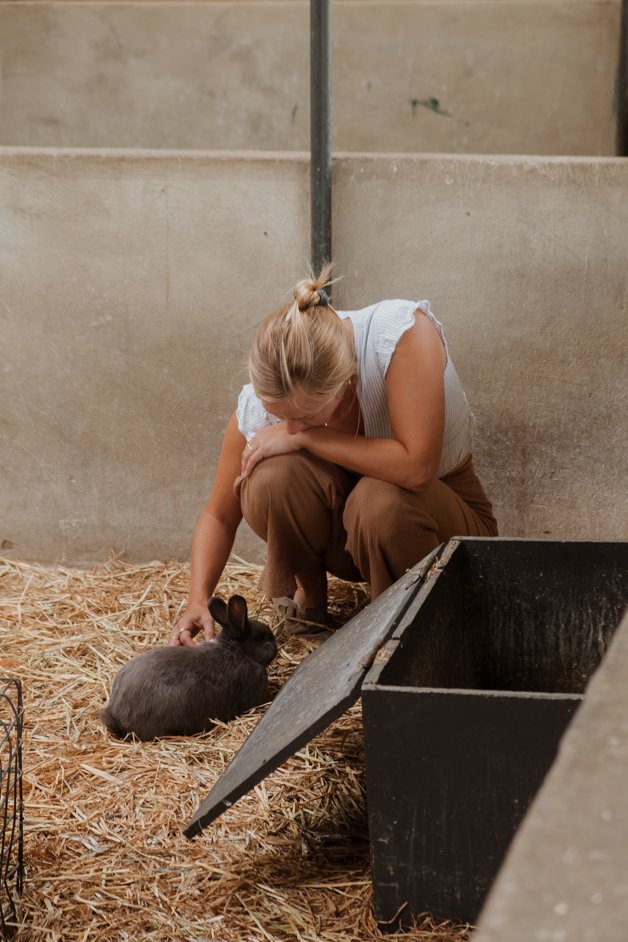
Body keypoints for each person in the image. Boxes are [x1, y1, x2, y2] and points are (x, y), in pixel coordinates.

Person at [171, 266, 497, 645]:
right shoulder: (271, 397)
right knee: (269, 479)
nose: (289, 426)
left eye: (306, 416)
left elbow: (416, 470)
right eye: (281, 415)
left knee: (378, 502)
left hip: (432, 528)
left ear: (346, 382)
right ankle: (309, 591)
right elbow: (219, 514)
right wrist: (198, 597)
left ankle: (404, 627)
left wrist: (310, 439)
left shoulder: (399, 336)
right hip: (346, 535)